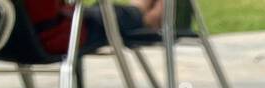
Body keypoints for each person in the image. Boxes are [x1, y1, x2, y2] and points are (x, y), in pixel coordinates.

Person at [25, 0, 163, 57]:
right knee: (131, 14)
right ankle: (151, 17)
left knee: (118, 12)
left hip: (12, 42)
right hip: (57, 36)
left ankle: (143, 11)